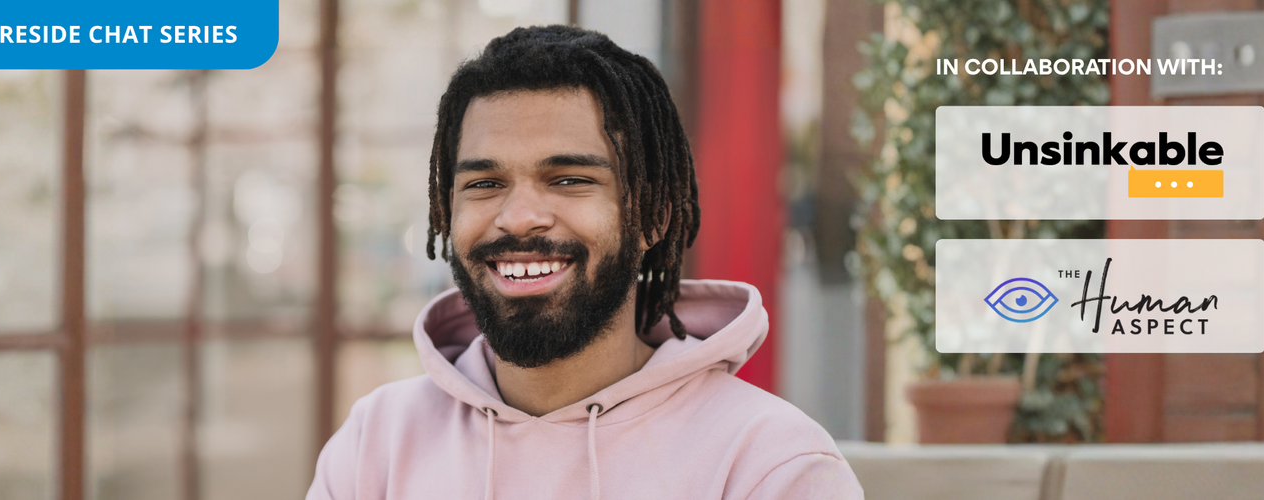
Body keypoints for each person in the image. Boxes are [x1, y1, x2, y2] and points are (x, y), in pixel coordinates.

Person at [306, 25, 863, 500]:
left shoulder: (770, 465)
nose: (519, 217)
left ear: (653, 218)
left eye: (569, 180)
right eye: (485, 183)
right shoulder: (373, 447)